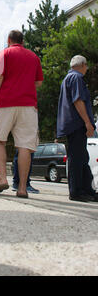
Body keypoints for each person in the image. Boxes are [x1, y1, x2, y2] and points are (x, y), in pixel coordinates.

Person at [0, 30, 43, 198]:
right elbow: (38, 82)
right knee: (25, 145)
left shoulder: (5, 53)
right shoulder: (34, 57)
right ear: (23, 41)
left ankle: (2, 178)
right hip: (28, 105)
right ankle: (23, 188)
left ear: (9, 39)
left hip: (5, 103)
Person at [57, 55, 98, 202]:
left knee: (82, 158)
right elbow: (78, 100)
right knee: (77, 158)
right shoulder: (76, 78)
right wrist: (87, 122)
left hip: (72, 124)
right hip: (77, 124)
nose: (87, 69)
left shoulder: (68, 78)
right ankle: (76, 191)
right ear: (82, 65)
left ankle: (87, 189)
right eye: (86, 66)